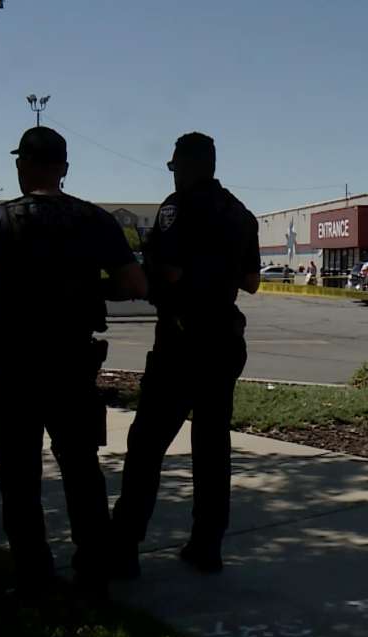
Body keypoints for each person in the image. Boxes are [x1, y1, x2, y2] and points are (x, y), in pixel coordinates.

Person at [0, 126, 147, 597]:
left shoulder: (1, 220)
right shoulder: (95, 220)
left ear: (22, 167)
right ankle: (92, 570)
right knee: (82, 469)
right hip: (72, 360)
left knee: (18, 473)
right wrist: (88, 289)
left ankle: (32, 575)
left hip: (18, 361)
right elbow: (134, 284)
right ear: (63, 168)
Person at [111, 132, 261, 577]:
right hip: (224, 340)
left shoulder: (177, 208)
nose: (172, 173)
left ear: (189, 165)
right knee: (212, 448)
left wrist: (150, 270)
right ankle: (206, 545)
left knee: (147, 444)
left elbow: (170, 270)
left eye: (175, 166)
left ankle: (123, 546)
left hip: (182, 340)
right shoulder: (241, 214)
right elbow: (251, 281)